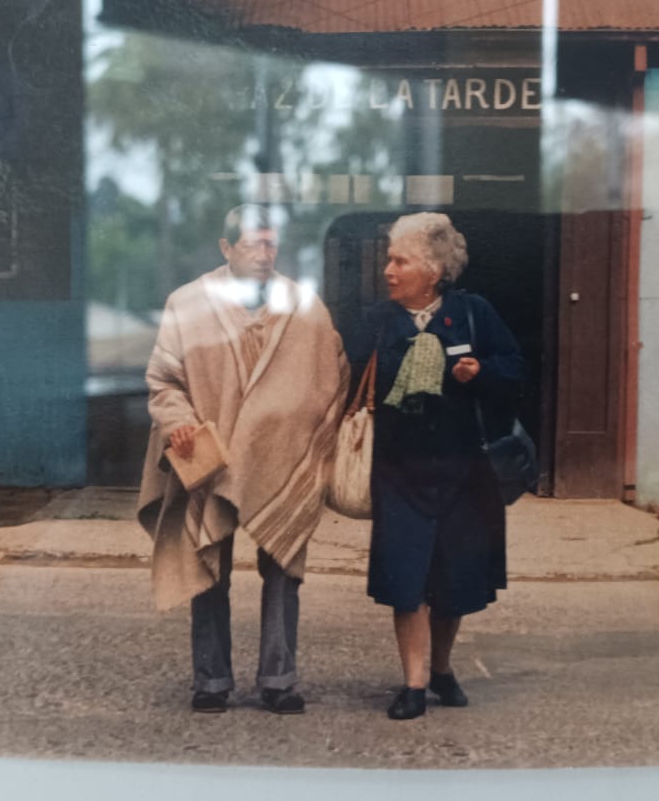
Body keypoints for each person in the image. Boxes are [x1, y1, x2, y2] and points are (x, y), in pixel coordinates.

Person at [137, 204, 348, 715]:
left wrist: (307, 434)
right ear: (226, 247)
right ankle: (211, 681)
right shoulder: (188, 303)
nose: (263, 253)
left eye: (270, 244)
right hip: (211, 458)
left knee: (284, 568)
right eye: (252, 244)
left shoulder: (305, 307)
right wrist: (178, 420)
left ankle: (279, 680)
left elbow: (335, 374)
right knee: (209, 565)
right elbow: (164, 381)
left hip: (280, 460)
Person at [343, 212, 526, 720]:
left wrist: (480, 371)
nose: (388, 270)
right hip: (399, 473)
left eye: (400, 261)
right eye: (389, 260)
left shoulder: (473, 313)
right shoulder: (378, 321)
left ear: (433, 270)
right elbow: (343, 375)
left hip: (465, 473)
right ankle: (414, 683)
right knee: (407, 581)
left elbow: (515, 369)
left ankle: (442, 668)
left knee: (455, 581)